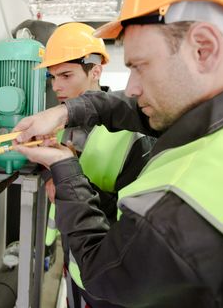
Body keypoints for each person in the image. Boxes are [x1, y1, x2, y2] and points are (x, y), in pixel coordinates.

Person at [12, 0, 223, 306]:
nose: (132, 88)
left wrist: (65, 171)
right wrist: (66, 111)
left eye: (140, 66)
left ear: (203, 48)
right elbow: (126, 108)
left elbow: (101, 269)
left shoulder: (176, 206)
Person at [38, 22, 153, 308]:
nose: (57, 86)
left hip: (107, 286)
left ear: (96, 71)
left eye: (66, 75)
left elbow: (130, 224)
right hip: (74, 263)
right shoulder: (63, 123)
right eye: (52, 77)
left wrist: (70, 184)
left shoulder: (134, 138)